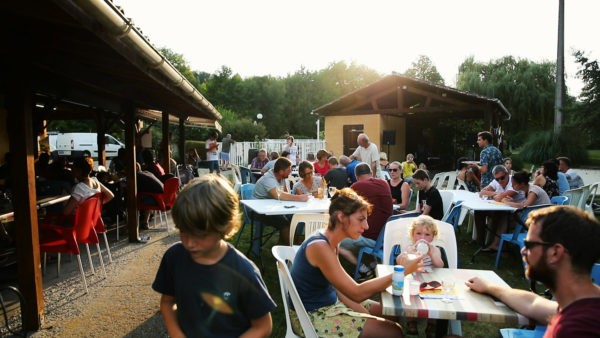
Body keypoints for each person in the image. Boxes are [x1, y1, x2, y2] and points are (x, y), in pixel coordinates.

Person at [290, 188, 424, 337]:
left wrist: (365, 314)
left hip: (330, 302)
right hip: (311, 316)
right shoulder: (320, 246)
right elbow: (356, 293)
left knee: (391, 313)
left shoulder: (330, 240)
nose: (366, 226)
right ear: (341, 216)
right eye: (361, 219)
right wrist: (403, 271)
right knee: (393, 332)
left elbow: (339, 288)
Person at [152, 175, 276, 337]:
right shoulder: (174, 257)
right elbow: (168, 302)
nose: (189, 243)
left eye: (200, 235)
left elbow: (263, 326)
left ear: (225, 228)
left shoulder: (244, 271)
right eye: (183, 230)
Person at [466, 206, 600, 336]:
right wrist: (489, 287)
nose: (523, 251)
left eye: (529, 245)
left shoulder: (575, 328)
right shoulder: (578, 305)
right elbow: (532, 303)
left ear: (555, 253)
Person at [339, 163, 393, 276]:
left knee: (335, 241)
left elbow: (344, 206)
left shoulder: (357, 186)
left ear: (357, 177)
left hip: (373, 238)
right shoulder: (384, 183)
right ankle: (373, 263)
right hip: (387, 235)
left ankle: (362, 268)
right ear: (371, 174)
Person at [401, 215, 446, 336]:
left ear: (433, 236)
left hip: (430, 280)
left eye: (427, 235)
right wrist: (412, 252)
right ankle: (411, 322)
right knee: (409, 298)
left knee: (434, 299)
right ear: (412, 234)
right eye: (419, 234)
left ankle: (431, 323)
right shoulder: (409, 248)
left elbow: (440, 265)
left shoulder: (435, 249)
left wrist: (432, 254)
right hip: (413, 279)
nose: (422, 238)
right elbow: (401, 261)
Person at [253, 157, 309, 245]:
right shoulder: (269, 179)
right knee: (283, 222)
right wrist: (299, 198)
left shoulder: (281, 177)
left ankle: (285, 244)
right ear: (281, 171)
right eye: (288, 170)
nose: (290, 172)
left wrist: (291, 197)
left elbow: (285, 194)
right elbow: (279, 195)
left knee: (294, 217)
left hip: (271, 207)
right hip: (257, 210)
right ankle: (291, 248)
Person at [136, 162, 163, 238]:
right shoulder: (147, 172)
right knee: (144, 195)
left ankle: (131, 225)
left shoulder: (137, 176)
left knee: (132, 200)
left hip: (156, 200)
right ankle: (145, 222)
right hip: (161, 198)